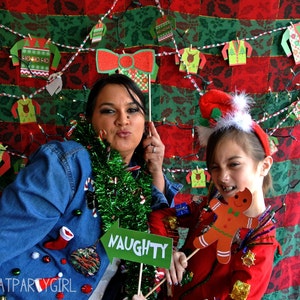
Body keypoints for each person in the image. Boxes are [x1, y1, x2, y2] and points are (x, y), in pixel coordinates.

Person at [0, 73, 182, 300]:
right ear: (89, 121)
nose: (123, 120)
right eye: (108, 110)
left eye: (133, 110)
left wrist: (155, 169)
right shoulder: (68, 162)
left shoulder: (136, 186)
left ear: (145, 124)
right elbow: (6, 235)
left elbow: (153, 228)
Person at [147, 89, 281, 299]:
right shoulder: (208, 208)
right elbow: (162, 216)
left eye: (234, 164)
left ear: (264, 166)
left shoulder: (260, 242)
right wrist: (166, 252)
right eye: (215, 167)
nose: (223, 177)